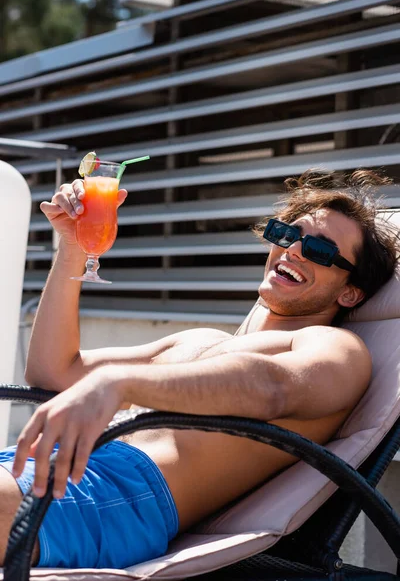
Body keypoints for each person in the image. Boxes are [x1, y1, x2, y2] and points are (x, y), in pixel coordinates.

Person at [0, 168, 398, 569]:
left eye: (320, 251)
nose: (293, 251)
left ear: (350, 291)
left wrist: (121, 382)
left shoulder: (336, 347)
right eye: (287, 234)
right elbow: (51, 372)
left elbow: (273, 388)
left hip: (113, 495)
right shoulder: (197, 341)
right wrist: (72, 247)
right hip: (37, 463)